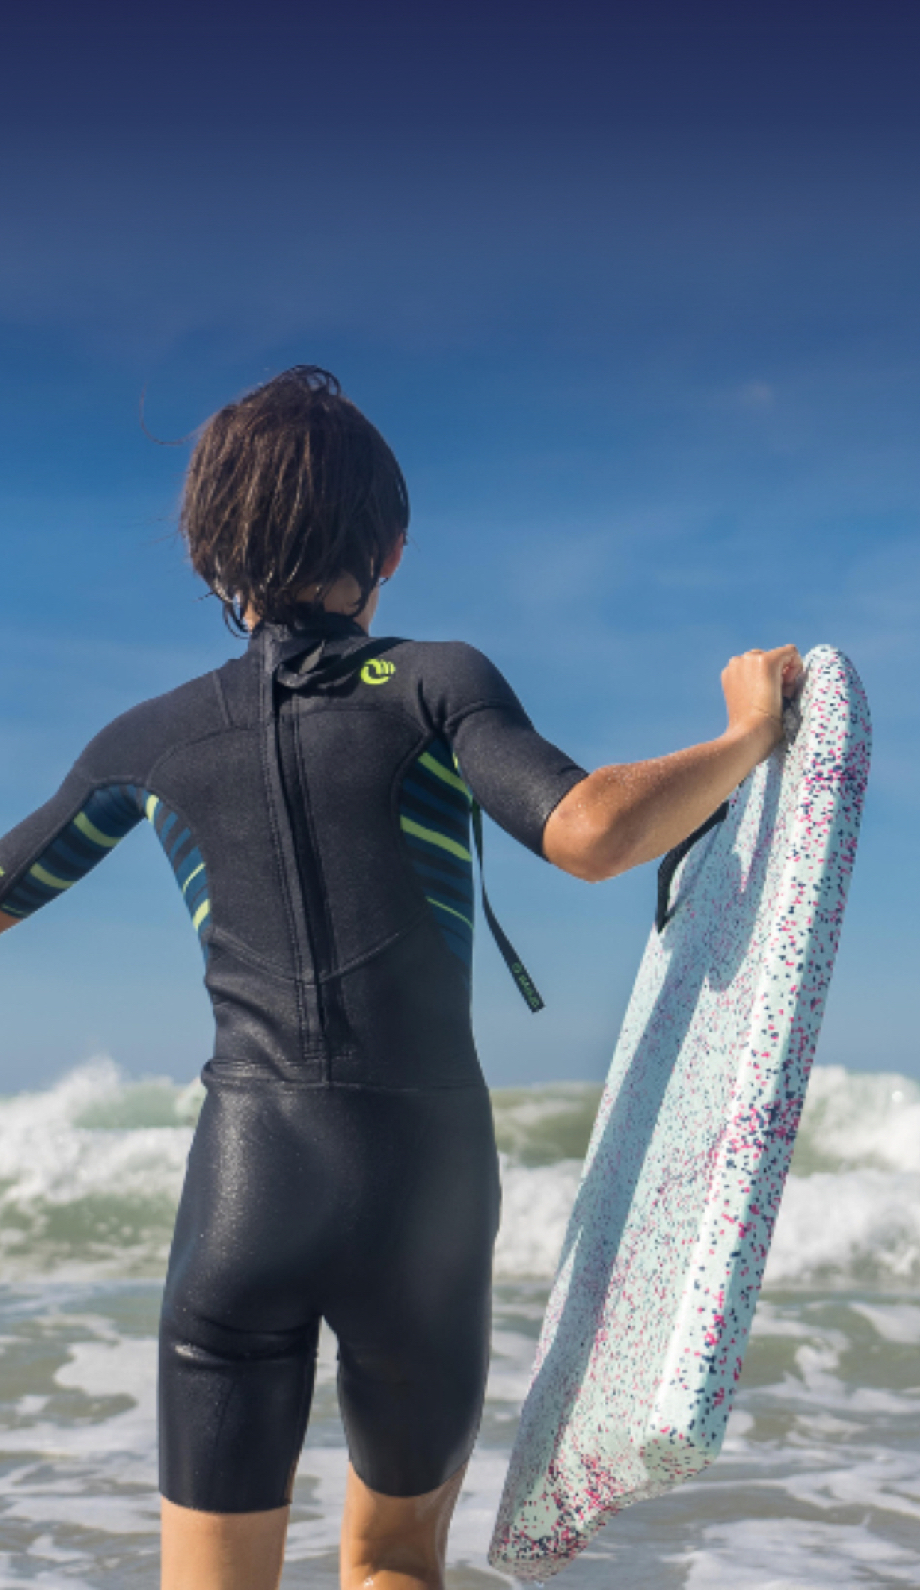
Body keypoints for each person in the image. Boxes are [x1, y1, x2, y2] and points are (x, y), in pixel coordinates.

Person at [0, 366, 801, 1590]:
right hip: (421, 1192)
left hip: (244, 1192)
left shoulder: (147, 740)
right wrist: (745, 736)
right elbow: (592, 833)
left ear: (209, 557)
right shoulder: (435, 682)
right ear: (390, 548)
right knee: (393, 1569)